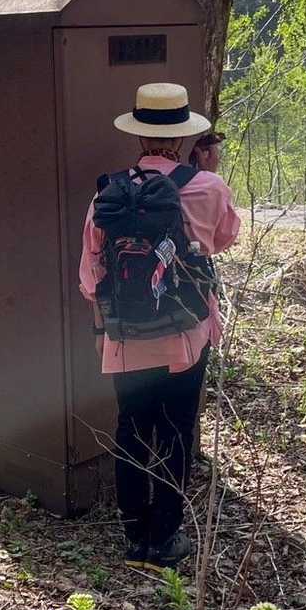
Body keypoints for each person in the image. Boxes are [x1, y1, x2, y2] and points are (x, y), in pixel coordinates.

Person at [79, 82, 241, 571]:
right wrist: (207, 173)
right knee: (175, 431)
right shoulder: (207, 187)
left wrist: (109, 321)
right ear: (183, 136)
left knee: (131, 429)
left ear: (138, 135)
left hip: (125, 336)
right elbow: (223, 239)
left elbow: (90, 277)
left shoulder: (109, 193)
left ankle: (134, 537)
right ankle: (166, 538)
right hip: (185, 333)